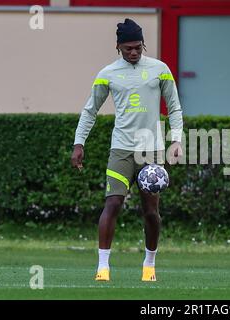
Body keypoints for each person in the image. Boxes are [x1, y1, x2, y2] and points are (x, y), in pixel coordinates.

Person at [71, 18, 183, 282]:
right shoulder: (107, 74)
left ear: (143, 45)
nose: (133, 52)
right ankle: (103, 268)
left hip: (152, 152)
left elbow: (175, 107)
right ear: (118, 47)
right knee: (112, 203)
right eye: (127, 48)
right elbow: (90, 111)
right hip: (121, 150)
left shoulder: (160, 70)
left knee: (150, 212)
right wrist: (79, 143)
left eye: (137, 47)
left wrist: (176, 140)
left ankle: (149, 264)